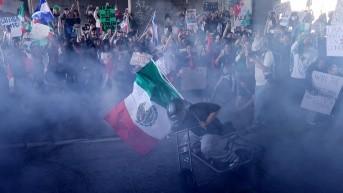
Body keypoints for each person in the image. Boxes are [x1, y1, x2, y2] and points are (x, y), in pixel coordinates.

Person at [167, 98, 240, 164]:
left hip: (212, 130)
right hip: (197, 132)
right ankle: (207, 156)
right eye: (175, 117)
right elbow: (175, 127)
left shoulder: (196, 107)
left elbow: (216, 108)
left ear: (183, 110)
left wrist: (207, 122)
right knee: (184, 143)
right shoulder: (181, 118)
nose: (178, 119)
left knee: (206, 148)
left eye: (178, 116)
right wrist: (168, 134)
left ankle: (233, 157)